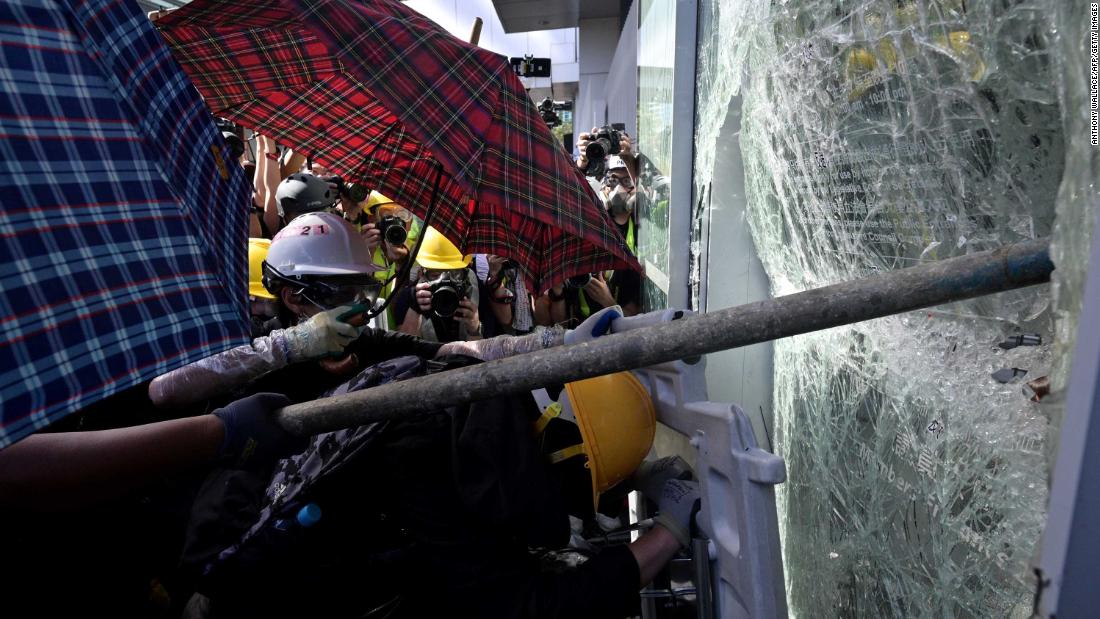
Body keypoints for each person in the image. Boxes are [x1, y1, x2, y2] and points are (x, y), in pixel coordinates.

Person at [187, 368, 700, 618]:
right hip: (257, 601)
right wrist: (665, 535)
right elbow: (529, 607)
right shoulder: (446, 495)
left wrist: (632, 475)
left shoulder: (451, 399)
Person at [149, 213, 619, 408]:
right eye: (341, 293)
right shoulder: (251, 356)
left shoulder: (364, 341)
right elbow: (164, 392)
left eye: (362, 289)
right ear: (293, 297)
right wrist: (288, 347)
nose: (357, 306)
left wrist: (560, 341)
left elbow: (457, 348)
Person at [404, 226, 483, 342]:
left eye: (455, 274)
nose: (445, 280)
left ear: (466, 271)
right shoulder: (413, 297)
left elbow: (479, 355)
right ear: (422, 273)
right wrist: (415, 310)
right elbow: (404, 350)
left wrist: (474, 328)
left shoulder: (476, 291)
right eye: (436, 275)